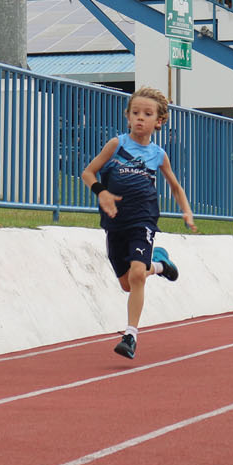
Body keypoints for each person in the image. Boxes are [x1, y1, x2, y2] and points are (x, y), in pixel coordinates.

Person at [80, 86, 197, 360]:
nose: (140, 118)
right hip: (114, 222)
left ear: (159, 121)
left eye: (147, 114)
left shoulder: (158, 154)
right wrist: (102, 192)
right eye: (135, 113)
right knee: (127, 284)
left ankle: (130, 335)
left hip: (143, 219)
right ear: (128, 116)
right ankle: (160, 265)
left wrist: (187, 211)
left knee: (135, 275)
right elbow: (88, 172)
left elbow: (176, 187)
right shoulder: (116, 144)